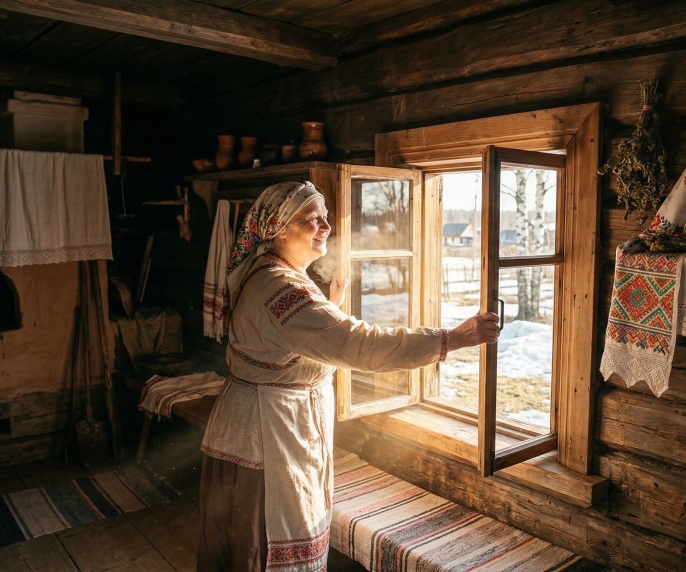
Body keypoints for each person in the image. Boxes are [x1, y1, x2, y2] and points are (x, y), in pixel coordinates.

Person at [196, 181, 501, 571]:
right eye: (312, 219)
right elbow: (361, 344)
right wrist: (453, 338)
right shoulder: (282, 288)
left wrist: (330, 304)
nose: (325, 227)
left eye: (326, 218)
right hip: (266, 441)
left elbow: (284, 338)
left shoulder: (268, 272)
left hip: (254, 429)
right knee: (261, 550)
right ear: (280, 228)